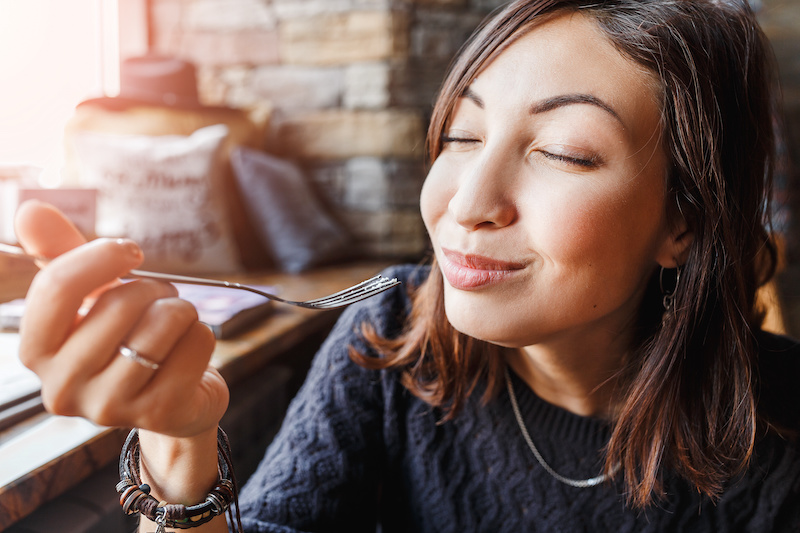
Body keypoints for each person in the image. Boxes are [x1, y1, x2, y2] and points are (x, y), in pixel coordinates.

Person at [14, 0, 800, 531]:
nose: (467, 203)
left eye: (562, 152)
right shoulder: (388, 334)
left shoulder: (778, 437)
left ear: (684, 222)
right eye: (461, 137)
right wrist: (179, 439)